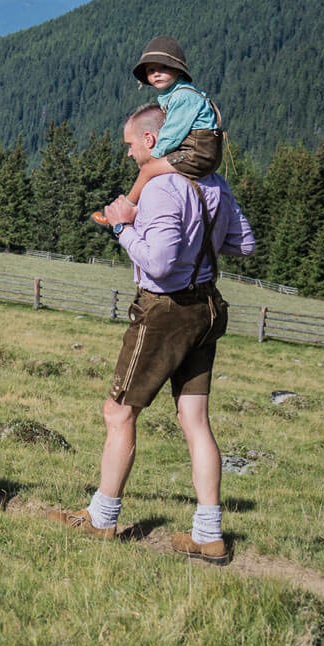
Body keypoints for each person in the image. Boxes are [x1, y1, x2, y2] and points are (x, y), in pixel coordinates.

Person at [53, 103, 255, 562]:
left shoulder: (163, 188)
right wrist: (199, 240)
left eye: (129, 144)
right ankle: (208, 532)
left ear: (150, 140)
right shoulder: (214, 185)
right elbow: (244, 242)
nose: (127, 154)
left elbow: (160, 263)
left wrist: (123, 226)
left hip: (165, 312)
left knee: (119, 412)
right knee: (195, 422)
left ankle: (102, 517)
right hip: (207, 307)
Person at [93, 36, 224, 226]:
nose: (156, 74)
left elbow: (171, 135)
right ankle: (143, 207)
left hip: (197, 155)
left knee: (148, 170)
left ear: (178, 70)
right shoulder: (177, 94)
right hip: (197, 152)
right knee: (157, 172)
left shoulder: (182, 97)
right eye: (151, 70)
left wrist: (154, 156)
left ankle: (126, 208)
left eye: (163, 68)